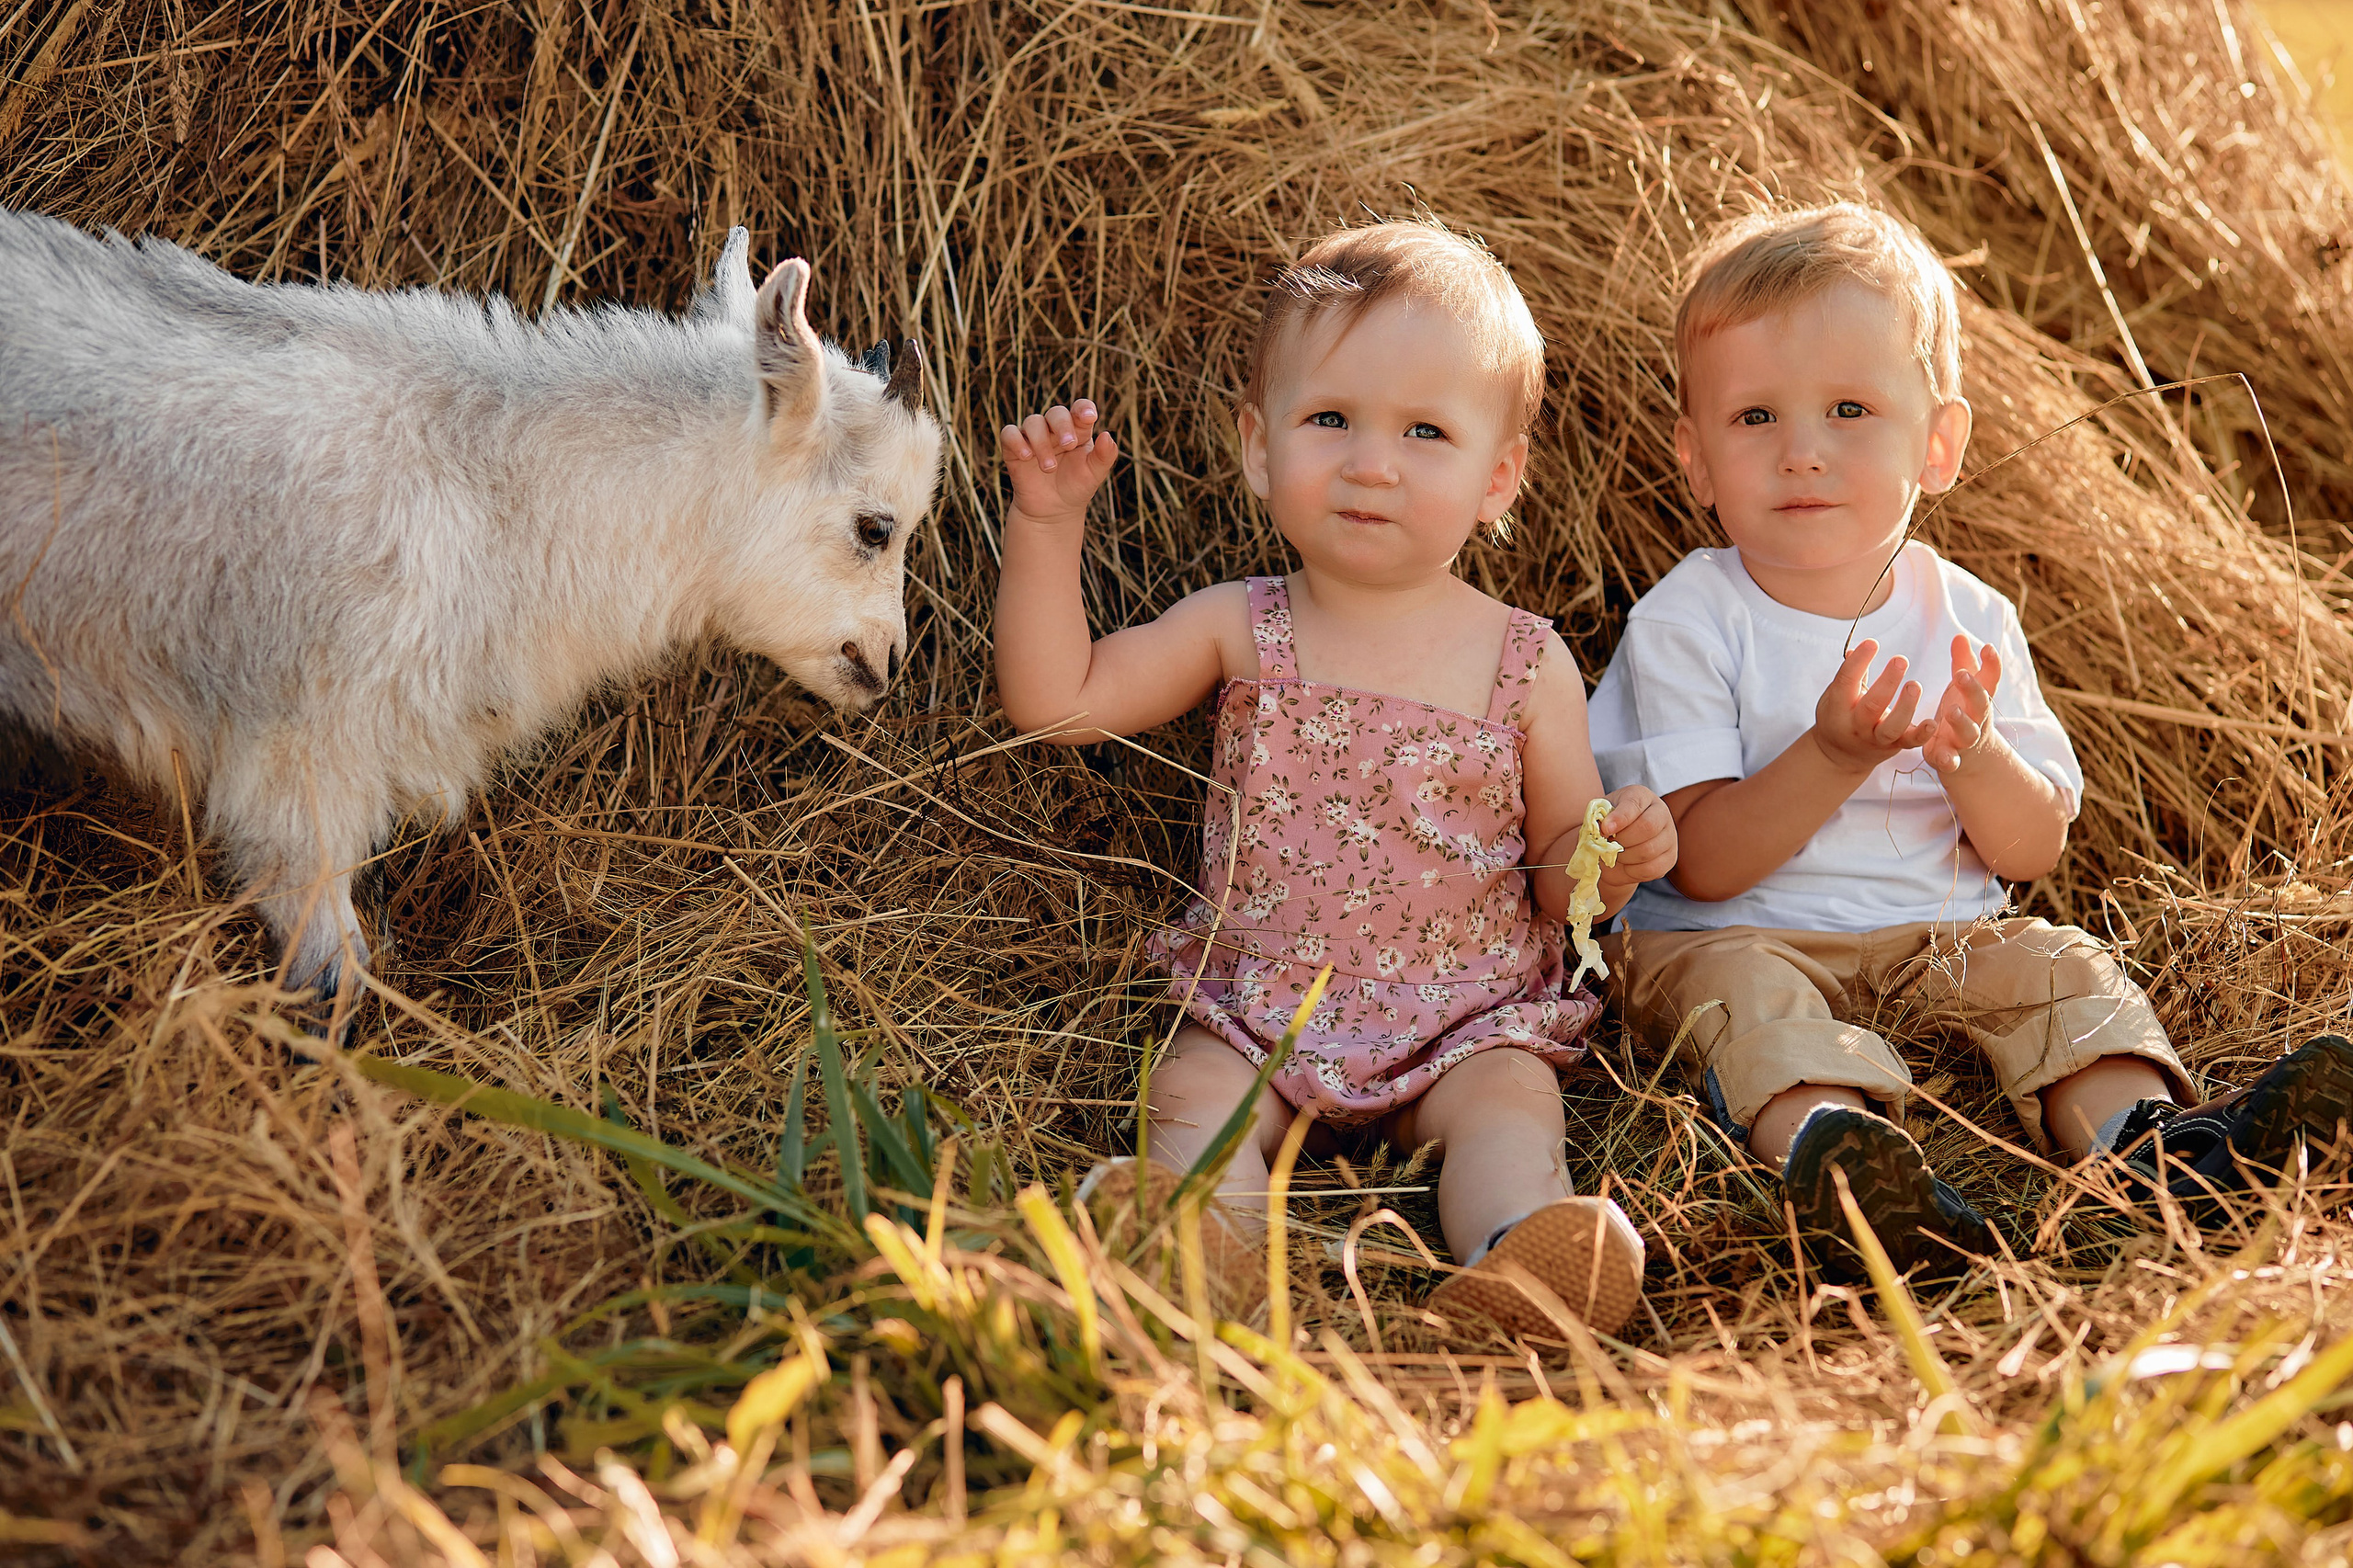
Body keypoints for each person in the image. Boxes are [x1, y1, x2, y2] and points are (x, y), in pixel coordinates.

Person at [1589, 202, 2353, 1270]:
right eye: (1754, 418)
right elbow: (1705, 865)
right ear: (1696, 458)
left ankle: (2156, 1149)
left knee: (2055, 964)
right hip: (1731, 934)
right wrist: (1832, 756)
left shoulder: (1970, 617)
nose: (1802, 452)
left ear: (1937, 445)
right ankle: (1848, 1177)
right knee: (1748, 1003)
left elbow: (2031, 851)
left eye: (1849, 409)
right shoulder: (1687, 619)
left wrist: (1975, 757)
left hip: (1934, 935)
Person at [992, 221, 1678, 1338]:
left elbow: (1562, 881)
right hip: (1260, 1006)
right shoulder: (1240, 625)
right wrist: (1047, 521)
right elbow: (1058, 698)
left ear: (1496, 477)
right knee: (1194, 1092)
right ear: (1261, 449)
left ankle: (1520, 1256)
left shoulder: (1524, 659)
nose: (1372, 461)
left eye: (1425, 430)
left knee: (1513, 1103)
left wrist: (1615, 857)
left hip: (1466, 1014)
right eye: (1330, 420)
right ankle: (1195, 1242)